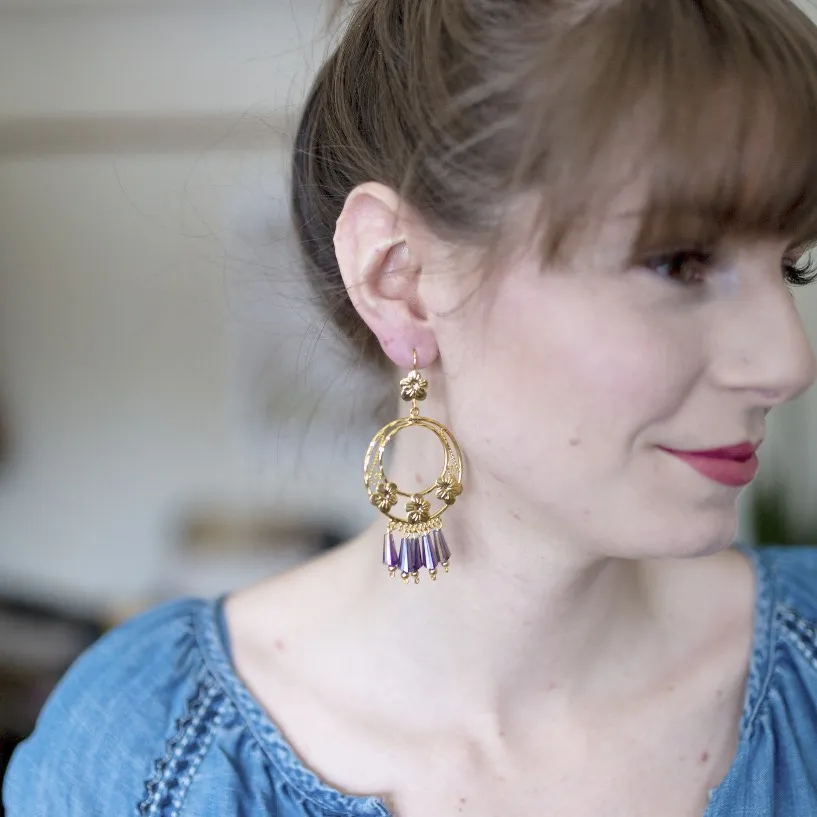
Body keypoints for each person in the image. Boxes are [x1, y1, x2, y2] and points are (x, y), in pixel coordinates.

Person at [7, 0, 817, 814]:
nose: (787, 362)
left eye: (792, 266)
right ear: (401, 280)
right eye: (678, 262)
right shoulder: (145, 762)